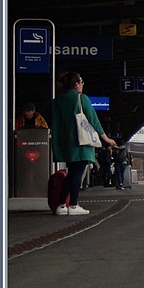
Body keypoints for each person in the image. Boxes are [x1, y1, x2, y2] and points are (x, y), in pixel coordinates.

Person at [50, 71, 116, 215]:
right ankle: (73, 205)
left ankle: (61, 205)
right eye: (81, 82)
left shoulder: (57, 101)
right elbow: (93, 120)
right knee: (77, 174)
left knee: (71, 173)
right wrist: (106, 139)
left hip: (66, 143)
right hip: (81, 142)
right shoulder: (81, 98)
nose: (82, 85)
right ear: (76, 85)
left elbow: (55, 123)